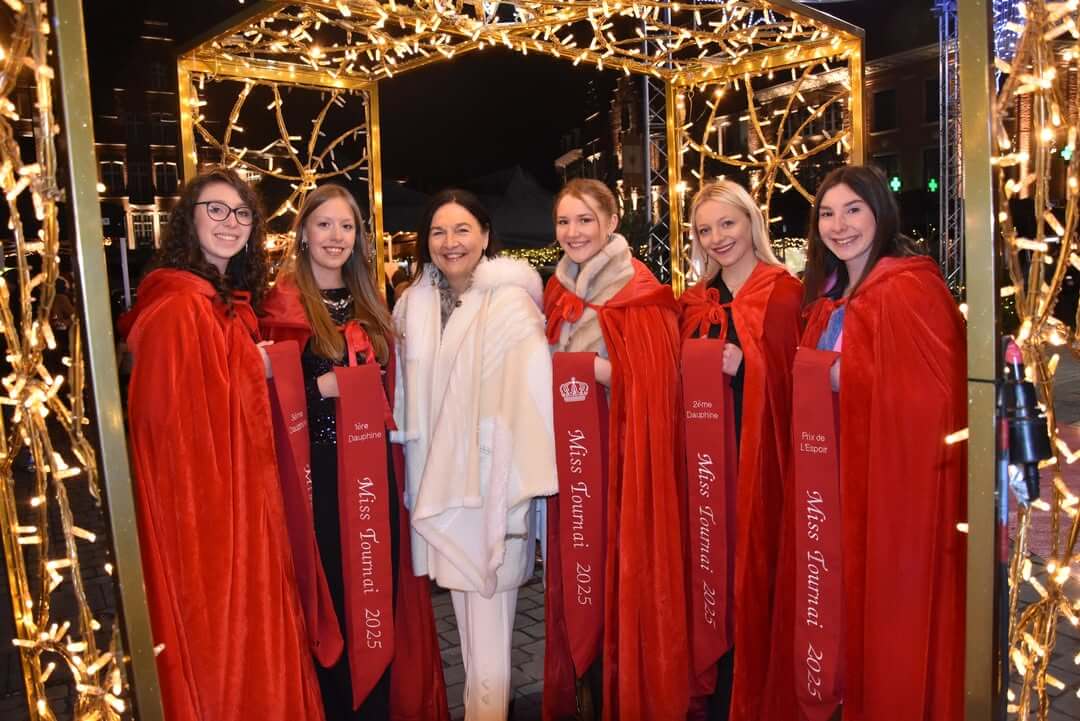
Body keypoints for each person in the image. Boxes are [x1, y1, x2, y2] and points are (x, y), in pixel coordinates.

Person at [119, 167, 324, 721]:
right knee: (223, 647)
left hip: (244, 503)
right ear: (189, 218)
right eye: (215, 209)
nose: (229, 223)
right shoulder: (180, 307)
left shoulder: (219, 301)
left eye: (241, 214)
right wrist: (252, 366)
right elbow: (170, 430)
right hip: (210, 519)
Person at [765, 164, 966, 721]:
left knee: (882, 609)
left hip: (888, 483)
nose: (839, 225)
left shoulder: (908, 285)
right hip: (832, 478)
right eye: (827, 213)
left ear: (881, 211)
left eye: (853, 209)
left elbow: (935, 396)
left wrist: (838, 376)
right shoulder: (828, 294)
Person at [259, 185, 448, 721]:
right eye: (324, 225)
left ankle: (380, 706)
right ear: (303, 233)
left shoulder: (372, 301)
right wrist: (323, 388)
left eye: (346, 227)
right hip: (321, 478)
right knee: (338, 601)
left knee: (379, 595)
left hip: (376, 474)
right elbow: (264, 399)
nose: (335, 237)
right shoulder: (281, 305)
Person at [392, 189, 557, 721]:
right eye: (438, 232)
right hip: (436, 485)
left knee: (488, 647)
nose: (450, 242)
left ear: (485, 235)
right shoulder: (413, 305)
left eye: (462, 230)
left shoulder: (508, 303)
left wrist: (505, 482)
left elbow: (530, 397)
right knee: (466, 636)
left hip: (491, 489)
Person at [542, 178, 688, 721]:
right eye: (564, 221)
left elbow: (656, 383)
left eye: (585, 220)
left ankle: (621, 695)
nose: (573, 232)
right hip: (570, 461)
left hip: (622, 460)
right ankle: (584, 691)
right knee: (578, 582)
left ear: (610, 222)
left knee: (617, 582)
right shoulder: (556, 291)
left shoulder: (638, 291)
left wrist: (590, 370)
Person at [678, 180, 802, 720]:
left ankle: (756, 695)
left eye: (726, 224)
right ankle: (719, 687)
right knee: (711, 575)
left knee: (755, 577)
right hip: (704, 467)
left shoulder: (785, 292)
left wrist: (747, 368)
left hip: (759, 464)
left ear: (751, 221)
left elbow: (802, 384)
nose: (717, 238)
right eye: (705, 230)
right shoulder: (693, 301)